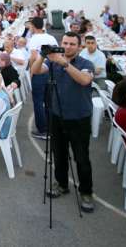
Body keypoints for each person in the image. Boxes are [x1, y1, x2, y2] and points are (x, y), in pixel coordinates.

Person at [31, 32, 96, 213]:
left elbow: (84, 80)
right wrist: (43, 55)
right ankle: (61, 184)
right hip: (57, 116)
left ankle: (86, 192)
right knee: (58, 154)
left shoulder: (86, 64)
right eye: (65, 43)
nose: (67, 47)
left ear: (79, 46)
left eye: (72, 44)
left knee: (81, 157)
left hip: (79, 118)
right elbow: (35, 71)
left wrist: (63, 63)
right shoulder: (53, 61)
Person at [27, 17, 58, 140]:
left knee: (38, 101)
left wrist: (31, 71)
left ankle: (43, 130)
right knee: (49, 101)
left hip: (40, 70)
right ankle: (50, 127)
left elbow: (34, 57)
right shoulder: (50, 37)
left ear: (33, 26)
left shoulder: (34, 39)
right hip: (51, 70)